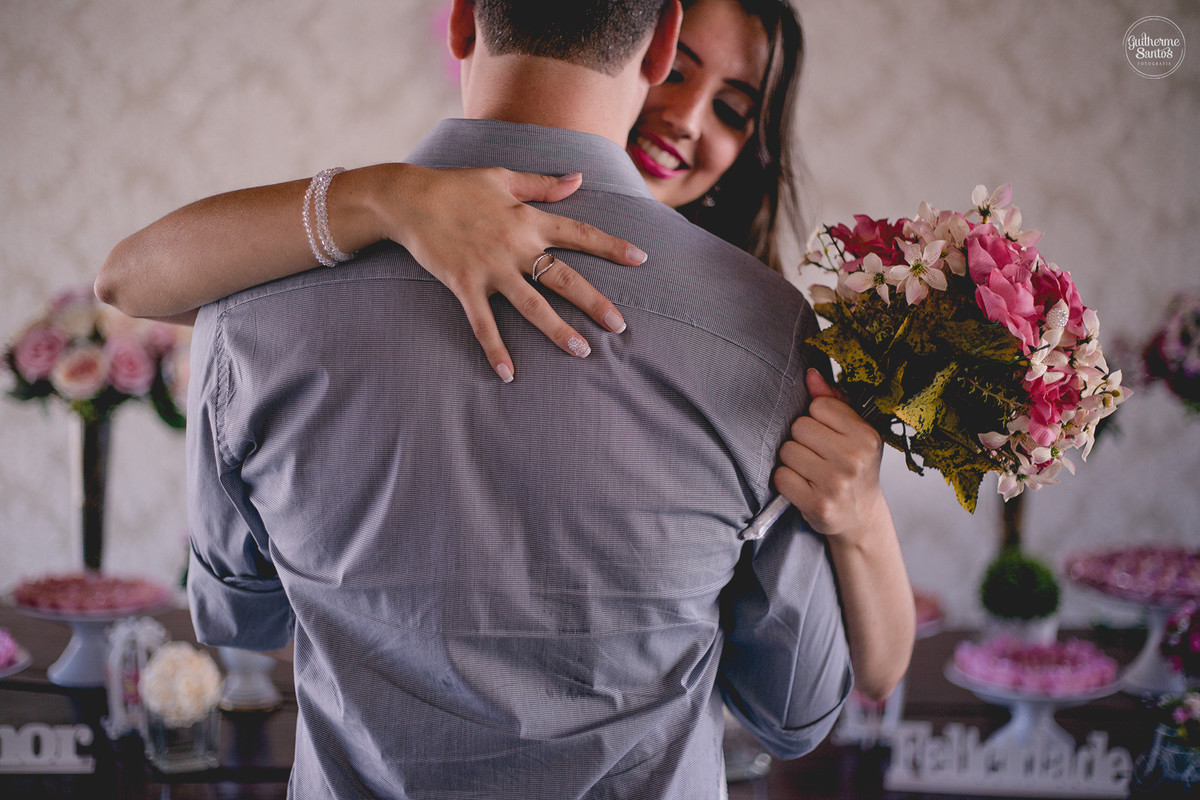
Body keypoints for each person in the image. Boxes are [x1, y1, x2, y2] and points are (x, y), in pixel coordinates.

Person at [97, 0, 914, 708]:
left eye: (735, 109)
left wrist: (861, 514)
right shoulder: (769, 335)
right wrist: (384, 194)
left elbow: (242, 615)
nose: (688, 119)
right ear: (652, 43)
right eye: (678, 75)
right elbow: (795, 709)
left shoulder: (765, 330)